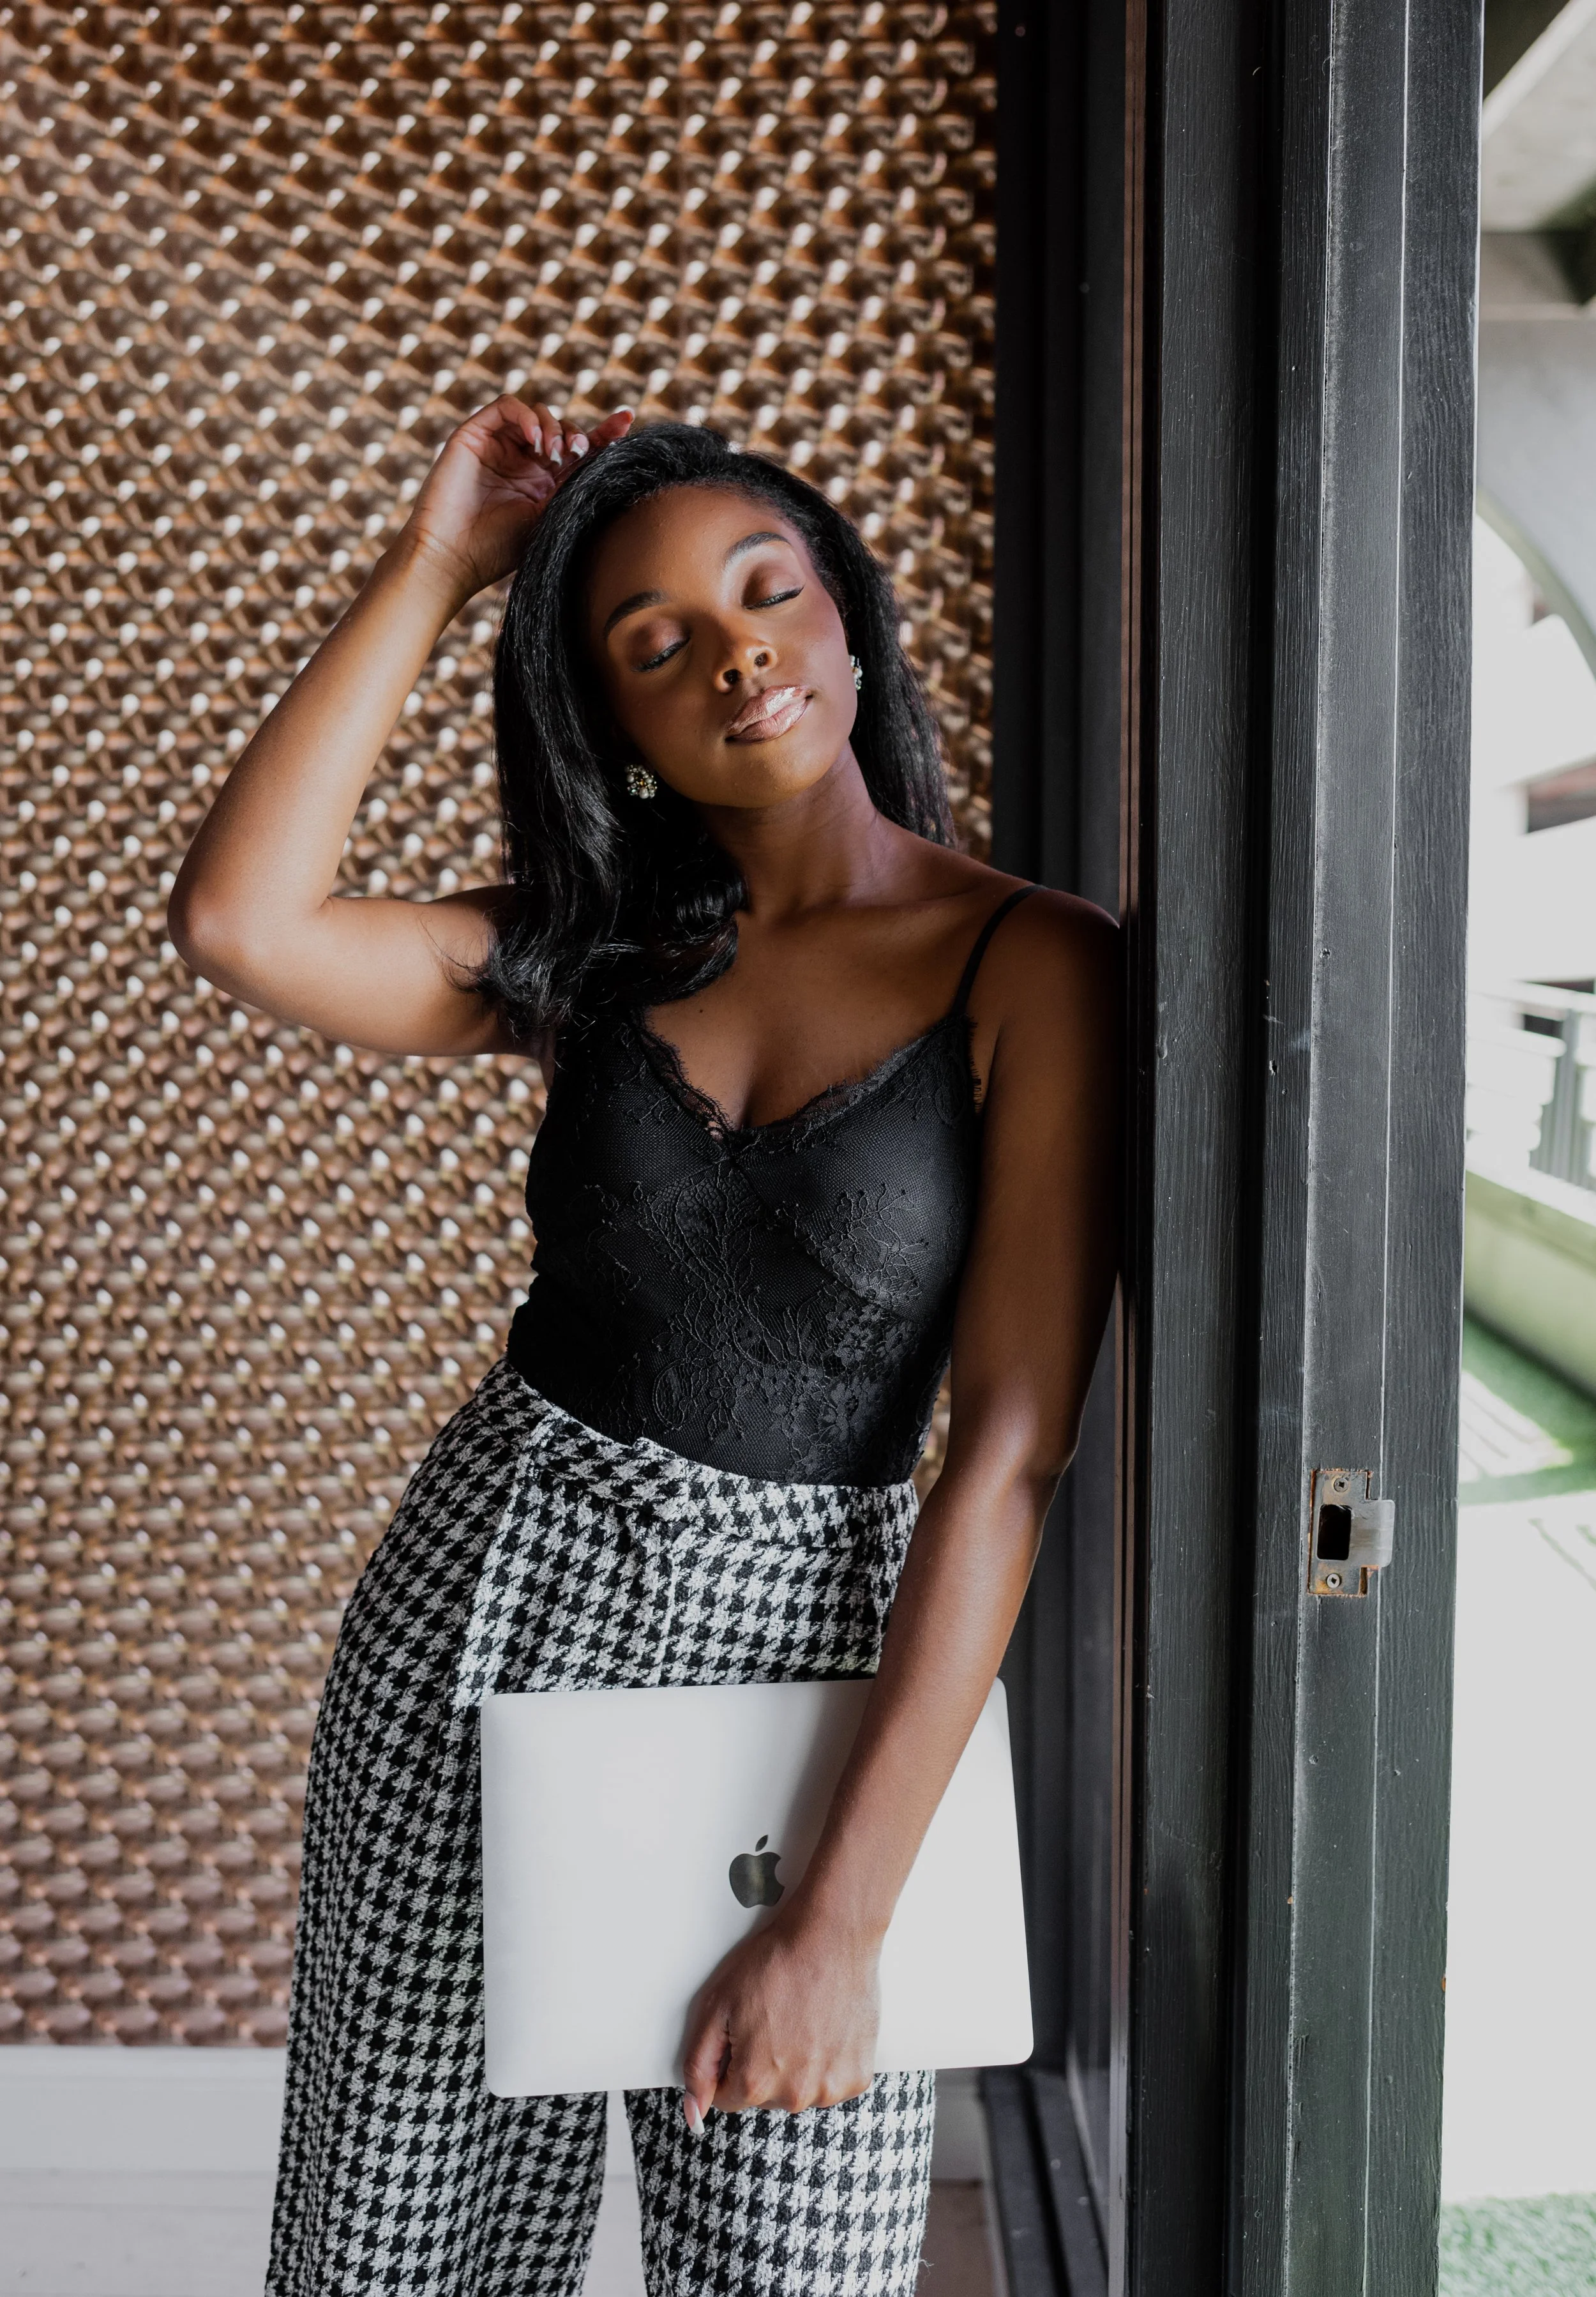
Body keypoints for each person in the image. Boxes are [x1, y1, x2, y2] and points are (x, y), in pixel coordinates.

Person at [169, 398, 1120, 2297]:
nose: (735, 652)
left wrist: (839, 1919)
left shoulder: (1034, 961)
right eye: (653, 640)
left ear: (846, 620)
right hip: (483, 1606)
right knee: (399, 2257)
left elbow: (1006, 1447)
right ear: (611, 719)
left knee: (788, 2265)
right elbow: (242, 920)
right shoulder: (593, 949)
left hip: (811, 1668)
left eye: (767, 592)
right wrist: (442, 564)